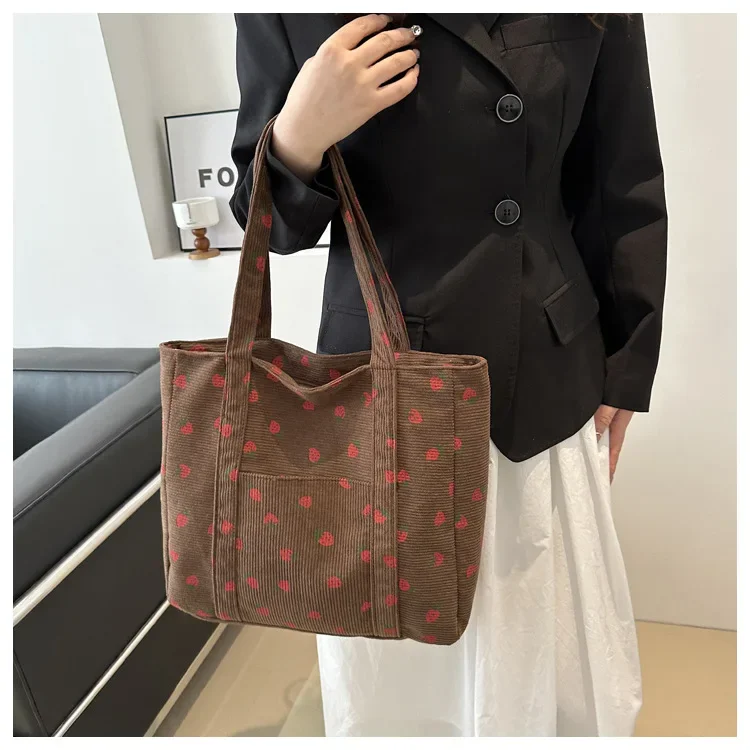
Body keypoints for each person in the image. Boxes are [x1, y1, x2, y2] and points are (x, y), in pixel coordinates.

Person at [229, 13, 667, 737]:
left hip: (542, 379)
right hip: (383, 389)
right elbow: (267, 224)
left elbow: (622, 181)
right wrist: (299, 134)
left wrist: (629, 364)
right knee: (400, 689)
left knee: (539, 656)